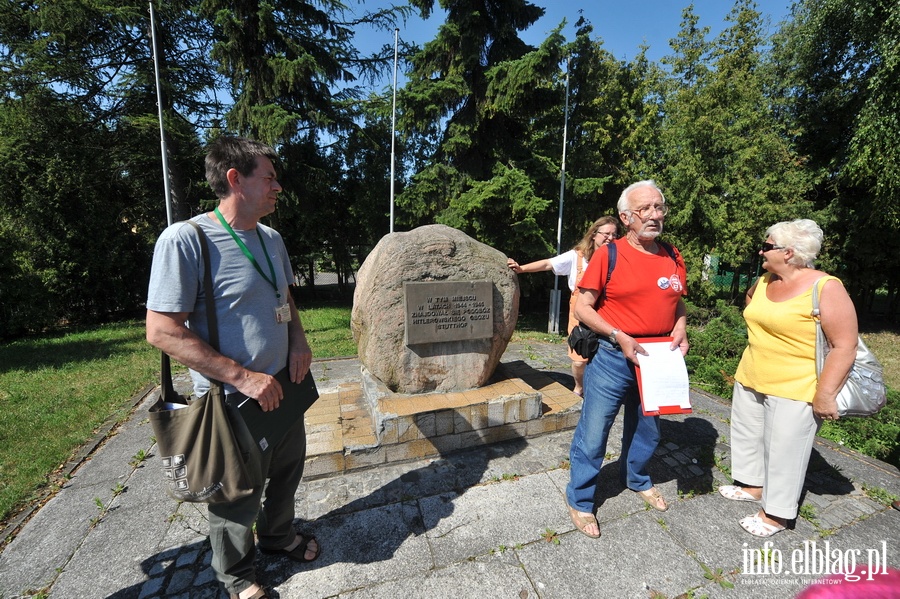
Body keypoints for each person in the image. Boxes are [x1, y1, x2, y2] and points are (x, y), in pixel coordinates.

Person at [146, 136, 319, 599]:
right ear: (234, 179)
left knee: (287, 471)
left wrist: (299, 342)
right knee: (235, 495)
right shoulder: (187, 239)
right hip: (232, 399)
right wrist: (243, 377)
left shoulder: (271, 238)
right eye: (269, 177)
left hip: (285, 386)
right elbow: (161, 330)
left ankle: (279, 537)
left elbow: (285, 297)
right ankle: (238, 575)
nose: (277, 186)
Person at [718, 219, 858, 538]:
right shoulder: (767, 279)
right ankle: (753, 486)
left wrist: (825, 394)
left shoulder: (825, 287)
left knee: (785, 452)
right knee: (748, 435)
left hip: (797, 386)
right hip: (752, 374)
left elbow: (844, 345)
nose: (761, 250)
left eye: (767, 246)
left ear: (789, 252)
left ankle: (776, 514)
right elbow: (752, 305)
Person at [564, 180, 688, 538]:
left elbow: (676, 300)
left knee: (648, 428)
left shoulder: (672, 254)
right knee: (594, 430)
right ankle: (581, 500)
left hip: (659, 359)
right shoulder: (609, 253)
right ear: (625, 217)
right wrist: (618, 335)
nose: (654, 215)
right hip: (615, 355)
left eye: (658, 207)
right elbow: (583, 307)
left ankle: (637, 479)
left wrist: (681, 328)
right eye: (644, 209)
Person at [507, 216, 619, 396]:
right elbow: (548, 263)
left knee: (605, 355)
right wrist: (521, 269)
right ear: (594, 234)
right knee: (579, 359)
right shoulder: (577, 256)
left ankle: (600, 391)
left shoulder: (617, 258)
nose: (611, 238)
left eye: (614, 234)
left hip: (608, 311)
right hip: (581, 313)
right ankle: (580, 387)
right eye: (606, 234)